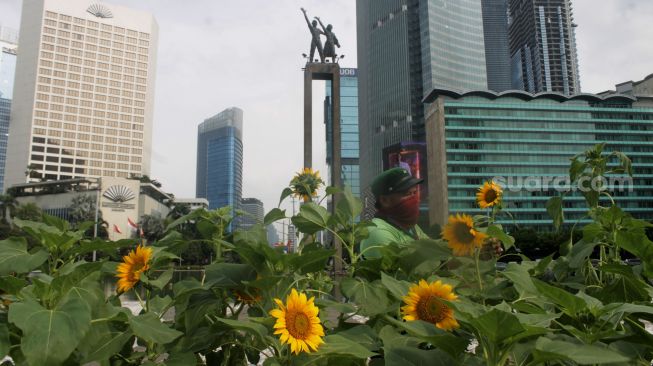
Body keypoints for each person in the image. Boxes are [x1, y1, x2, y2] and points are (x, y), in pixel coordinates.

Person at [360, 168, 428, 259]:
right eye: (407, 194)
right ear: (385, 200)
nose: (414, 199)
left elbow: (435, 252)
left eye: (414, 193)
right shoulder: (378, 232)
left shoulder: (410, 226)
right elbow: (404, 272)